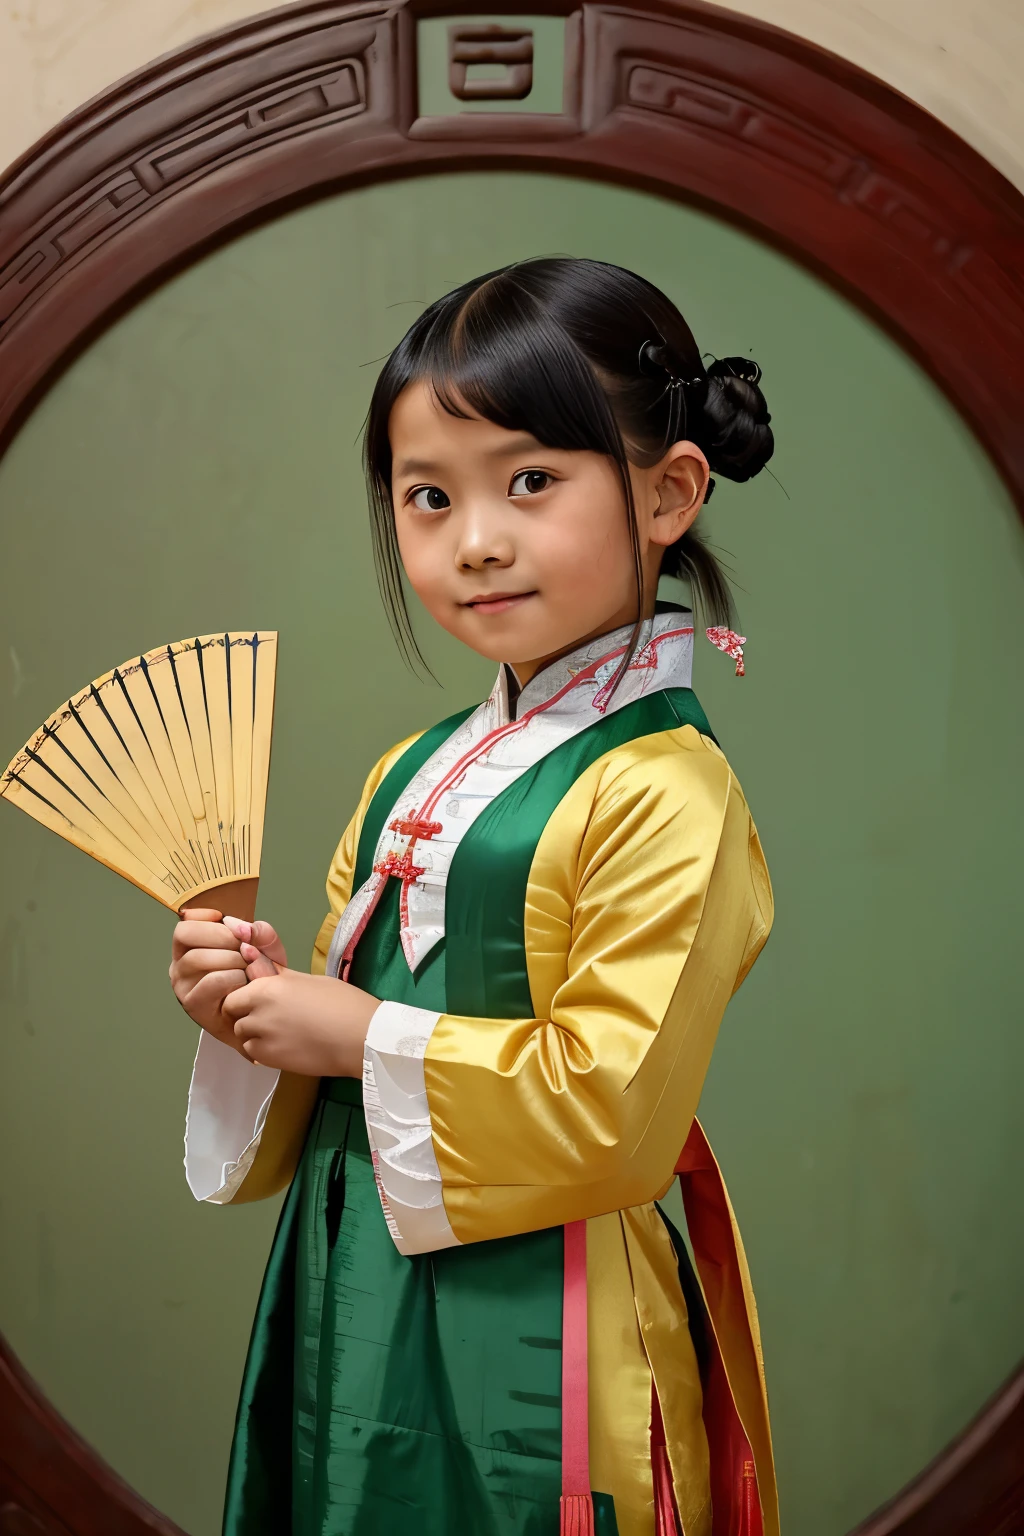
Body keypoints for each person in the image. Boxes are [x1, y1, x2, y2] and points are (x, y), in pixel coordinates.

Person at [170, 257, 778, 1536]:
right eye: (428, 496)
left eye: (533, 481)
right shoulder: (411, 769)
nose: (476, 540)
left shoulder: (668, 791)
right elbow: (339, 1033)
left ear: (669, 492)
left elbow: (613, 1106)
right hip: (361, 1278)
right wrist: (262, 1014)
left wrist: (352, 1034)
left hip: (545, 1316)